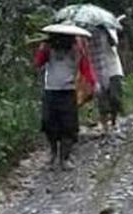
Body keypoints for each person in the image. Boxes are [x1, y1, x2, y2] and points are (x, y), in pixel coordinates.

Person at [34, 32, 98, 170]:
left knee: (68, 127)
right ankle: (52, 154)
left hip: (68, 91)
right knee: (48, 123)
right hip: (51, 90)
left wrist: (93, 83)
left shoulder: (76, 51)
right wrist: (42, 49)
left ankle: (65, 158)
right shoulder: (49, 50)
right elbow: (38, 63)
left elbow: (85, 68)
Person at [89, 26, 125, 134]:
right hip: (97, 68)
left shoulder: (109, 29)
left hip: (113, 67)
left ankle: (114, 120)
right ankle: (105, 125)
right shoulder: (87, 34)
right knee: (102, 98)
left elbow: (115, 43)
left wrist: (109, 35)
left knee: (115, 96)